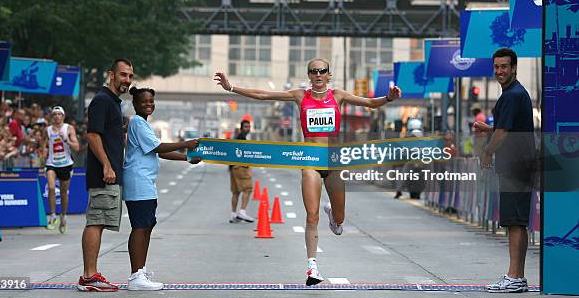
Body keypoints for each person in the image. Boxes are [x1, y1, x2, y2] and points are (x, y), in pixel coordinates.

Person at [215, 58, 401, 285]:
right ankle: (312, 267)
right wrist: (231, 87)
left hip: (333, 162)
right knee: (311, 215)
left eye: (322, 71)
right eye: (314, 71)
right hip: (310, 160)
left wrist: (389, 98)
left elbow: (370, 103)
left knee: (340, 222)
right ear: (309, 75)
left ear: (328, 74)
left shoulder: (338, 95)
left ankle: (333, 215)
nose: (318, 75)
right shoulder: (300, 96)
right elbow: (263, 95)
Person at [123, 86, 201, 290]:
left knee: (147, 225)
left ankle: (140, 271)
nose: (148, 104)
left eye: (151, 101)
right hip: (138, 181)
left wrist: (187, 158)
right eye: (144, 102)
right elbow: (158, 148)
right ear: (135, 104)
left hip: (145, 182)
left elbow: (157, 151)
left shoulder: (144, 124)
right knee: (140, 227)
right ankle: (135, 276)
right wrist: (186, 143)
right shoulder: (138, 123)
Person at [474, 48, 535, 293]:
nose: (500, 71)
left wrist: (488, 152)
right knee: (516, 221)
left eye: (504, 67)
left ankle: (514, 276)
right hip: (520, 164)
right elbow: (509, 127)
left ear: (514, 68)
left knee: (515, 222)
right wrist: (489, 130)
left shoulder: (512, 95)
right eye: (497, 67)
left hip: (515, 165)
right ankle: (517, 277)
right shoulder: (515, 94)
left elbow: (504, 132)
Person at [78, 59, 134, 292]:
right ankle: (89, 276)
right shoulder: (102, 101)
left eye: (130, 76)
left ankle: (91, 274)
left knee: (99, 222)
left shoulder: (113, 102)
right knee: (96, 222)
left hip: (110, 173)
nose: (127, 80)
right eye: (123, 75)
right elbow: (92, 135)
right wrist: (107, 166)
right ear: (111, 75)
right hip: (104, 175)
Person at [44, 106, 80, 233]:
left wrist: (66, 140)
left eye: (59, 114)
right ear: (52, 116)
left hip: (66, 164)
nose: (57, 116)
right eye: (55, 114)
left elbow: (77, 147)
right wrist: (43, 153)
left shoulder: (68, 128)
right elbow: (44, 145)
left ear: (63, 116)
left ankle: (63, 216)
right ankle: (53, 216)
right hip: (51, 163)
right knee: (52, 188)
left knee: (64, 192)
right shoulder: (47, 130)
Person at [229, 119, 255, 224]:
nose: (247, 129)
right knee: (248, 189)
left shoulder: (236, 138)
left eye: (249, 127)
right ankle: (242, 212)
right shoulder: (241, 138)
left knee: (236, 192)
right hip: (241, 167)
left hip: (233, 168)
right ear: (241, 128)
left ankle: (233, 215)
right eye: (245, 127)